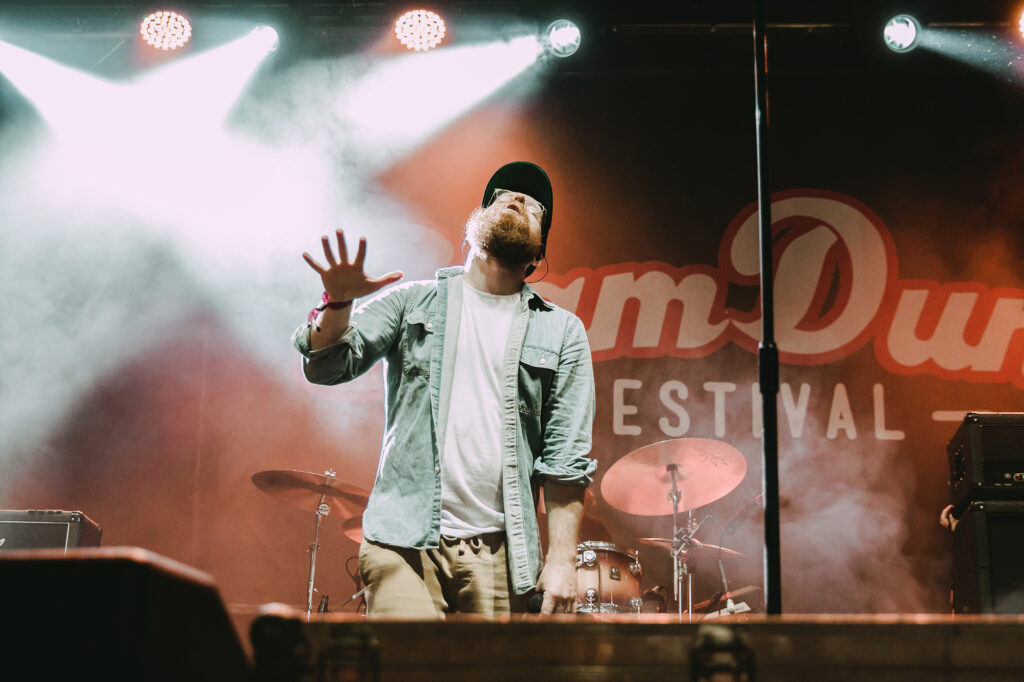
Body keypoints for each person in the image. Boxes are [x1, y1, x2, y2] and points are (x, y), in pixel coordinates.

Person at [292, 161, 597, 617]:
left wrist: (561, 561)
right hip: (402, 543)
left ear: (536, 257)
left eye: (533, 208)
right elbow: (327, 366)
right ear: (471, 230)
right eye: (505, 196)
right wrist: (339, 304)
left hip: (501, 554)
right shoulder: (412, 301)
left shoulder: (562, 333)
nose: (518, 200)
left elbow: (566, 462)